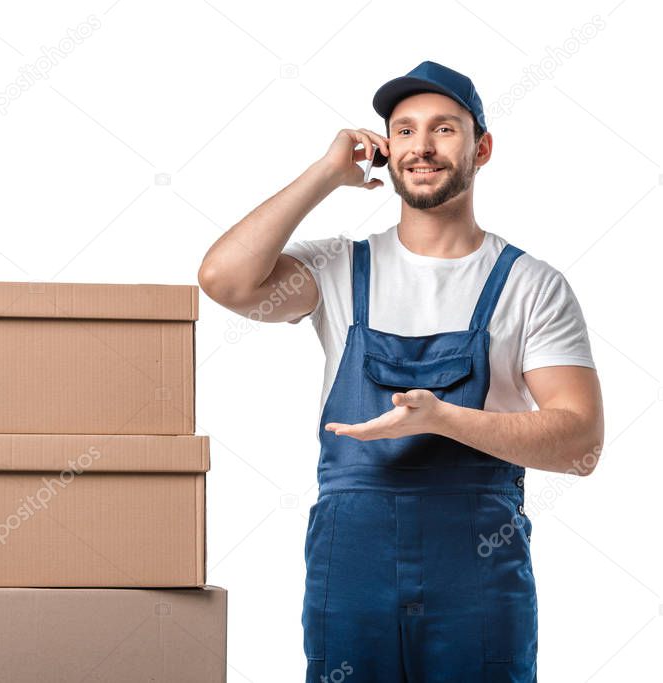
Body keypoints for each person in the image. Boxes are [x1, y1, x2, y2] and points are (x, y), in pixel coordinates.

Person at [198, 60, 604, 682]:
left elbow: (580, 444)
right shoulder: (338, 268)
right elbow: (224, 280)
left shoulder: (531, 286)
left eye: (444, 129)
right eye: (406, 130)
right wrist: (326, 174)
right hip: (353, 557)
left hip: (477, 565)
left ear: (481, 148)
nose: (422, 146)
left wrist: (441, 418)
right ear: (387, 149)